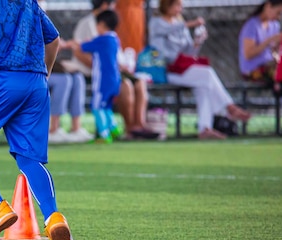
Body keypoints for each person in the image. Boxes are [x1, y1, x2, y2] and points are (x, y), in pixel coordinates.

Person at [0, 0, 76, 240]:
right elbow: (53, 40)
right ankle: (54, 218)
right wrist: (44, 74)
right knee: (29, 158)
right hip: (36, 83)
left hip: (3, 80)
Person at [149, 0, 251, 139]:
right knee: (207, 74)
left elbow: (190, 53)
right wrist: (187, 25)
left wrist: (197, 42)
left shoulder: (180, 24)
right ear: (168, 5)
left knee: (204, 86)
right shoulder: (157, 23)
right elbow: (163, 53)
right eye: (177, 5)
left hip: (183, 69)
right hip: (166, 70)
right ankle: (229, 107)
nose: (180, 9)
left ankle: (205, 128)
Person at [69, 0, 158, 140]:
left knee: (138, 83)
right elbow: (80, 52)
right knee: (124, 87)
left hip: (109, 74)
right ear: (105, 5)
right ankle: (126, 127)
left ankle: (136, 125)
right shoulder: (92, 25)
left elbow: (80, 46)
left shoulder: (105, 33)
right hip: (102, 72)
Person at [73, 10, 122, 143]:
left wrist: (72, 43)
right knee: (106, 106)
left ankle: (104, 134)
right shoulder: (114, 39)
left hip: (103, 82)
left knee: (96, 106)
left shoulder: (102, 40)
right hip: (115, 80)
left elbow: (82, 46)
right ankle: (113, 128)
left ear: (101, 24)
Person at [238, 0, 282, 85]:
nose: (278, 17)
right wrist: (269, 40)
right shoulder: (252, 25)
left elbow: (273, 51)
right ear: (268, 6)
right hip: (252, 70)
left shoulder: (274, 25)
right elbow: (248, 54)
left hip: (269, 66)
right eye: (278, 13)